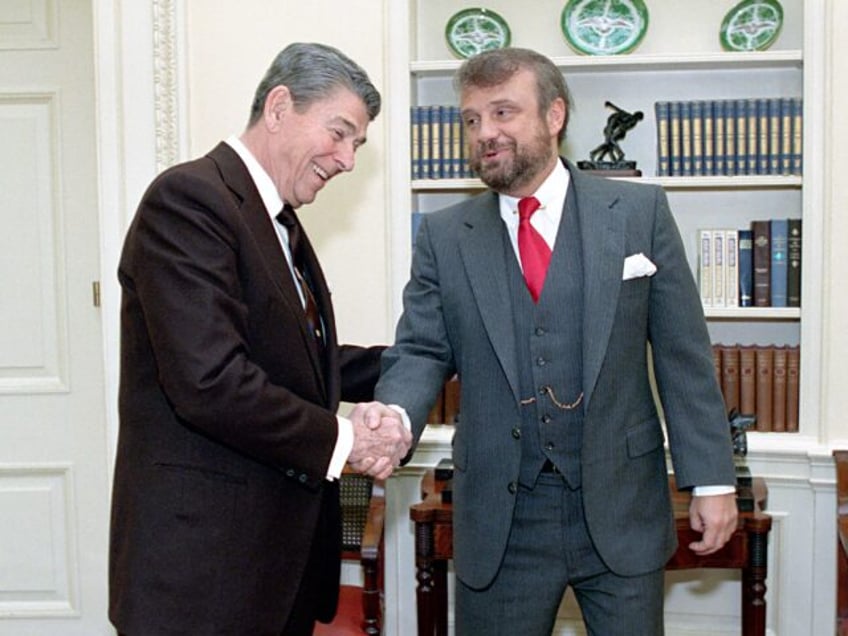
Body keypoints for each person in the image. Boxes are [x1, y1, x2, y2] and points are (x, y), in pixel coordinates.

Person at [375, 47, 738, 635]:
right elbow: (421, 349)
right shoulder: (445, 236)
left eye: (503, 113)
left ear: (554, 115)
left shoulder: (638, 212)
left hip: (622, 508)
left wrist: (713, 479)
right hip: (501, 517)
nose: (485, 134)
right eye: (471, 120)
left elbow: (683, 354)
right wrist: (393, 417)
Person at [109, 42, 411, 636]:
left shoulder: (278, 221)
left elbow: (292, 361)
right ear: (278, 107)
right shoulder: (190, 200)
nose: (348, 159)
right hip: (204, 574)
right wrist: (347, 440)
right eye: (340, 132)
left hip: (273, 571)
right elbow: (211, 381)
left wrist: (417, 362)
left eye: (358, 144)